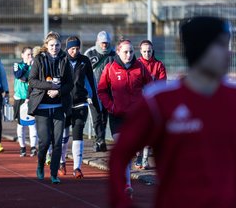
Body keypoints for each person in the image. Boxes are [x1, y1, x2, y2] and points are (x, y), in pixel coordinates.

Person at [109, 16, 235, 208]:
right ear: (200, 48)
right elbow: (119, 156)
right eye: (220, 45)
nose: (229, 53)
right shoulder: (159, 101)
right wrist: (121, 202)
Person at [98, 39, 152, 195]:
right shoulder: (110, 68)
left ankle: (125, 181)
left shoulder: (140, 67)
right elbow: (101, 91)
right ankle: (126, 184)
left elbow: (151, 87)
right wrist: (111, 106)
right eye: (125, 52)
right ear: (118, 52)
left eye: (131, 52)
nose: (129, 55)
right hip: (117, 116)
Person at [28, 31, 73, 184]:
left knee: (58, 142)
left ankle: (54, 174)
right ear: (46, 46)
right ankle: (40, 165)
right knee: (45, 141)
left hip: (59, 107)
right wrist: (50, 87)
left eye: (58, 45)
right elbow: (32, 81)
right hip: (42, 107)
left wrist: (58, 91)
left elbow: (70, 84)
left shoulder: (64, 60)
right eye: (52, 45)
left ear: (61, 46)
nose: (55, 48)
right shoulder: (39, 60)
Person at [58, 36, 101, 178]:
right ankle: (62, 162)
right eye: (72, 48)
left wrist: (94, 101)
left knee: (78, 134)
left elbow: (91, 81)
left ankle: (77, 168)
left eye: (77, 48)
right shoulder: (61, 60)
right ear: (67, 48)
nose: (75, 51)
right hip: (63, 103)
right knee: (64, 135)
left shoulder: (85, 61)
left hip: (80, 102)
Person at [135, 39, 168, 169]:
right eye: (144, 51)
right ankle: (138, 156)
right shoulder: (136, 64)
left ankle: (144, 159)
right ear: (140, 51)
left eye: (149, 51)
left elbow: (162, 84)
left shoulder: (159, 65)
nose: (147, 54)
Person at [84, 31, 115, 152]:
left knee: (104, 116)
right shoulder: (90, 53)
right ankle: (99, 140)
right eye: (102, 43)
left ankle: (101, 139)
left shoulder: (113, 54)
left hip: (108, 92)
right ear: (97, 42)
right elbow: (83, 72)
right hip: (93, 91)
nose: (104, 46)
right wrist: (87, 91)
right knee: (96, 116)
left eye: (106, 43)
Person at [13, 46, 37, 157]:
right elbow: (18, 75)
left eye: (31, 54)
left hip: (31, 98)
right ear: (22, 55)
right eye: (28, 54)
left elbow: (34, 80)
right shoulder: (17, 65)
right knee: (21, 124)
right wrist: (27, 66)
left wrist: (27, 79)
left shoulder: (35, 66)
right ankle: (22, 147)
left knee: (32, 124)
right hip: (20, 98)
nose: (30, 57)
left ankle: (33, 147)